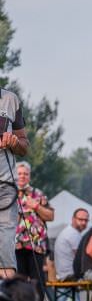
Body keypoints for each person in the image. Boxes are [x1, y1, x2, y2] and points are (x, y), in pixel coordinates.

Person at [0, 87, 29, 280]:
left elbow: (24, 146)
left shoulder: (10, 99)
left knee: (5, 246)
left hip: (5, 184)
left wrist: (13, 143)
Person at [15, 161, 54, 297]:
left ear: (29, 176)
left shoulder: (37, 193)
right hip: (15, 245)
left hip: (36, 245)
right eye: (19, 173)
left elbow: (50, 215)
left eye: (25, 174)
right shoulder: (7, 194)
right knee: (17, 282)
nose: (22, 176)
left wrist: (36, 207)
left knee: (37, 282)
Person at [54, 208, 90, 301]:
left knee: (65, 300)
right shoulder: (73, 234)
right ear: (73, 219)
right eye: (80, 219)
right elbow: (81, 257)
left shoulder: (68, 231)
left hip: (63, 274)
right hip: (70, 274)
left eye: (86, 220)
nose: (83, 222)